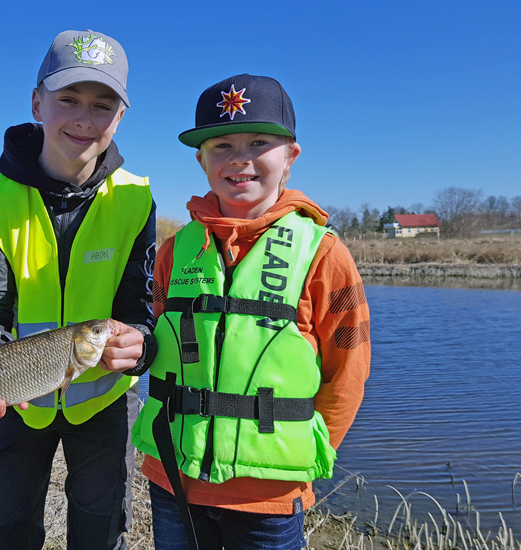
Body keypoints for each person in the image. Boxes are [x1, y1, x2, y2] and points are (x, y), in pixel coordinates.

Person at [131, 74, 371, 550]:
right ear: (201, 160)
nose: (239, 157)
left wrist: (307, 458)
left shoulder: (325, 254)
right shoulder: (175, 250)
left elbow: (347, 375)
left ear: (290, 157)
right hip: (171, 476)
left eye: (259, 142)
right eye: (221, 145)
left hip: (270, 495)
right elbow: (155, 342)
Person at [0, 30, 157, 550]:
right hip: (17, 396)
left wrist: (137, 346)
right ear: (36, 102)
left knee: (98, 534)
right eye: (68, 99)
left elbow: (140, 307)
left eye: (102, 104)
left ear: (119, 117)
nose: (83, 118)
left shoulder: (137, 199)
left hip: (103, 404)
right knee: (2, 532)